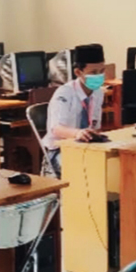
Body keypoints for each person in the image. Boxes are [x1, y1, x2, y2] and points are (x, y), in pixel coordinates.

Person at [41, 44, 106, 177]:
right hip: (59, 149)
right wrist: (78, 133)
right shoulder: (65, 93)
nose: (99, 76)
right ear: (78, 72)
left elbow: (96, 126)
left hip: (85, 146)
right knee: (85, 171)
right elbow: (56, 129)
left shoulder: (98, 92)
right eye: (93, 72)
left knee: (107, 167)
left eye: (102, 71)